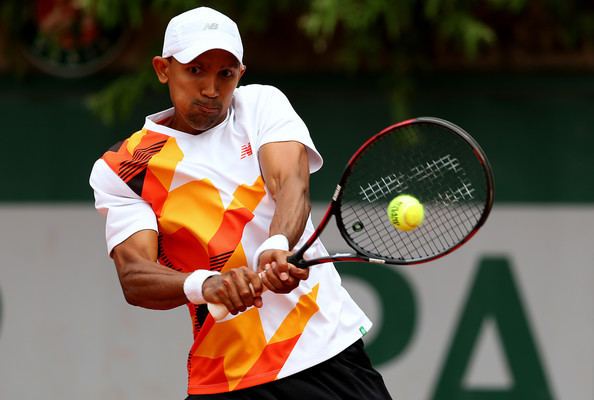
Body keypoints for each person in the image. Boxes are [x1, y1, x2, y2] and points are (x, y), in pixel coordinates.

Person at [90, 6, 391, 400]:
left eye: (225, 74)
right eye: (195, 70)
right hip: (228, 376)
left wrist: (277, 244)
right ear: (163, 69)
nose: (211, 89)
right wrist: (206, 285)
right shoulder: (123, 168)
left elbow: (290, 184)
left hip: (323, 349)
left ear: (241, 75)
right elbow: (135, 277)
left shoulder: (261, 105)